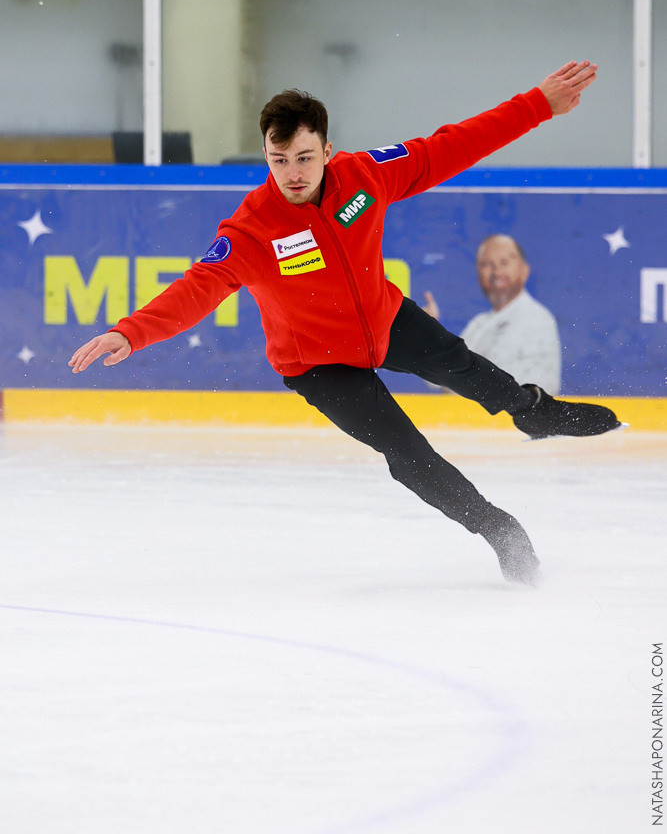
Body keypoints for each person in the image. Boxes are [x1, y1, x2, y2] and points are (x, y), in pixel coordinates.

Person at [69, 61, 620, 587]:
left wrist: (538, 106)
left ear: (328, 151)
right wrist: (131, 331)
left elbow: (450, 146)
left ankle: (533, 412)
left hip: (383, 319)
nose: (292, 174)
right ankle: (500, 531)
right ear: (265, 154)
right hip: (318, 364)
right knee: (409, 455)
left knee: (468, 368)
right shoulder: (251, 230)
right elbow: (198, 287)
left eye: (305, 158)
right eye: (278, 160)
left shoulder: (364, 176)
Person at [423, 234, 562, 394]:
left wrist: (457, 381)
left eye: (504, 263)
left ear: (525, 270)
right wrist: (429, 332)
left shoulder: (537, 319)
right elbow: (441, 379)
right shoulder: (479, 323)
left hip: (508, 418)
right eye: (486, 264)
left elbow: (529, 390)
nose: (496, 271)